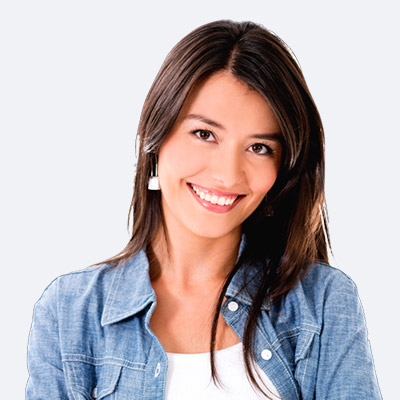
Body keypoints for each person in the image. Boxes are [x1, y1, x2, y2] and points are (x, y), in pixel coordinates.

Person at [26, 20, 382, 399]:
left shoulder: (324, 303)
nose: (227, 175)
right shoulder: (69, 312)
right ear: (156, 136)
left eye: (259, 147)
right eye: (205, 134)